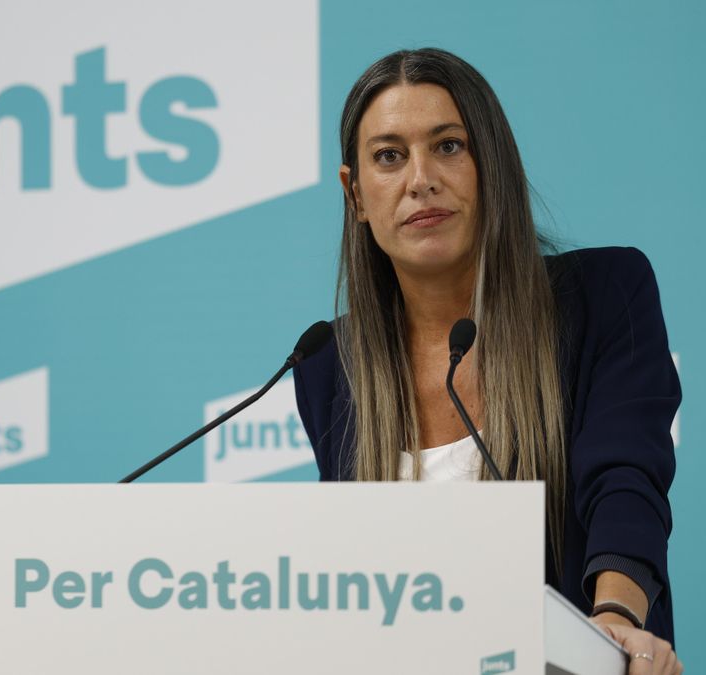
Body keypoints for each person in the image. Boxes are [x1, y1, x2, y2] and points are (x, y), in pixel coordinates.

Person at [292, 48, 684, 674]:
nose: (420, 178)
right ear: (356, 194)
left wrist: (614, 622)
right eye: (389, 156)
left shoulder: (606, 296)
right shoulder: (328, 365)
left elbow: (625, 478)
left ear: (491, 165)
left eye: (448, 146)